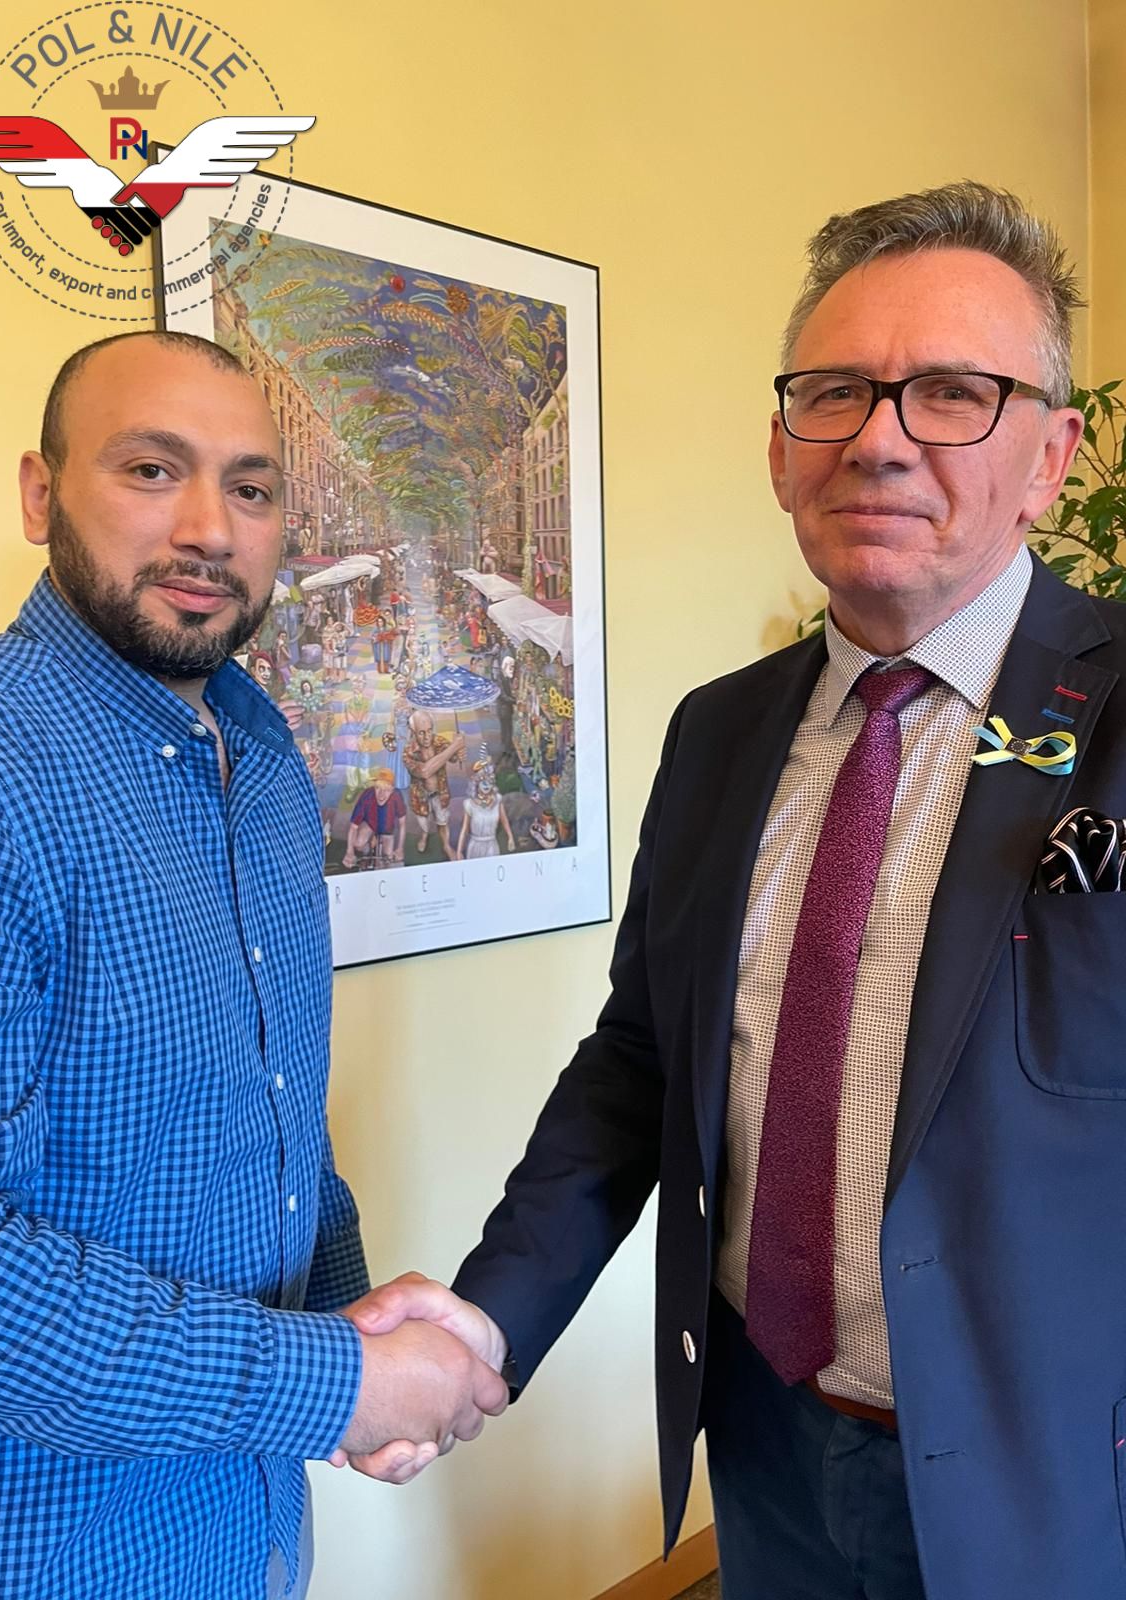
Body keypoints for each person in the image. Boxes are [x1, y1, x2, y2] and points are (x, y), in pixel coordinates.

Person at [340, 183, 1126, 1600]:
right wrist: (486, 1321)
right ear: (781, 449)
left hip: (1054, 1484)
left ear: (1050, 459)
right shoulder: (719, 732)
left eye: (953, 394)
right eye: (835, 393)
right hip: (761, 1444)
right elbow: (639, 1061)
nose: (879, 439)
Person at [0, 330, 506, 1600]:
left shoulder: (266, 764)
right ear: (39, 493)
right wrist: (338, 1383)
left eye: (250, 487)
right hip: (45, 1559)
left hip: (248, 1533)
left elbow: (274, 1127)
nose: (208, 528)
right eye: (150, 469)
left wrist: (353, 1328)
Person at [403, 708, 463, 858]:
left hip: (440, 793)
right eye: (421, 732)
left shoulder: (439, 741)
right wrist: (453, 748)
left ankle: (446, 846)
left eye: (430, 730)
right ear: (413, 732)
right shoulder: (408, 752)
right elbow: (424, 771)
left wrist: (460, 751)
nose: (427, 737)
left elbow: (454, 758)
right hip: (421, 797)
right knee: (424, 823)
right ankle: (424, 835)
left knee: (443, 822)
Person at [343, 769, 407, 867]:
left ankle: (377, 846)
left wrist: (400, 848)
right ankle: (368, 849)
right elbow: (353, 827)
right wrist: (349, 852)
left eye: (386, 790)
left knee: (388, 857)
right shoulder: (367, 796)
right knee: (358, 843)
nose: (381, 794)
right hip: (370, 824)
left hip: (387, 829)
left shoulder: (397, 796)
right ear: (374, 787)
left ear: (392, 790)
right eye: (378, 788)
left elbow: (402, 823)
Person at [457, 755, 515, 859]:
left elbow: (504, 820)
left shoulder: (497, 800)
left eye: (489, 782)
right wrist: (459, 851)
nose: (487, 786)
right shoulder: (469, 804)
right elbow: (464, 829)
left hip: (492, 846)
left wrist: (510, 837)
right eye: (483, 782)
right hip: (475, 846)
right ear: (477, 783)